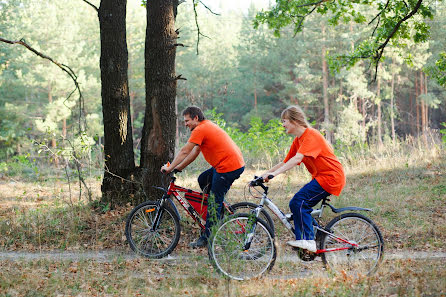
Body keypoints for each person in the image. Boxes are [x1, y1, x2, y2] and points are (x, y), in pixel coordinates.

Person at [261, 105, 345, 252]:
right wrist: (266, 173)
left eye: (284, 121)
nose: (283, 124)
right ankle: (320, 236)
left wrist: (274, 175)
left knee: (298, 202)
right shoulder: (298, 140)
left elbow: (297, 159)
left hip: (331, 177)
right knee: (299, 205)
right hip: (322, 177)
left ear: (294, 121)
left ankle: (308, 240)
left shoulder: (311, 135)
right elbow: (286, 161)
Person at [161, 106, 245, 248]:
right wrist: (178, 168)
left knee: (213, 202)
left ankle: (207, 237)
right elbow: (194, 153)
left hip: (228, 167)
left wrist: (169, 168)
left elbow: (184, 151)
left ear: (196, 118)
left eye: (187, 121)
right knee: (203, 180)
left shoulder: (201, 129)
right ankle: (218, 214)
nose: (185, 124)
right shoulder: (205, 127)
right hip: (227, 164)